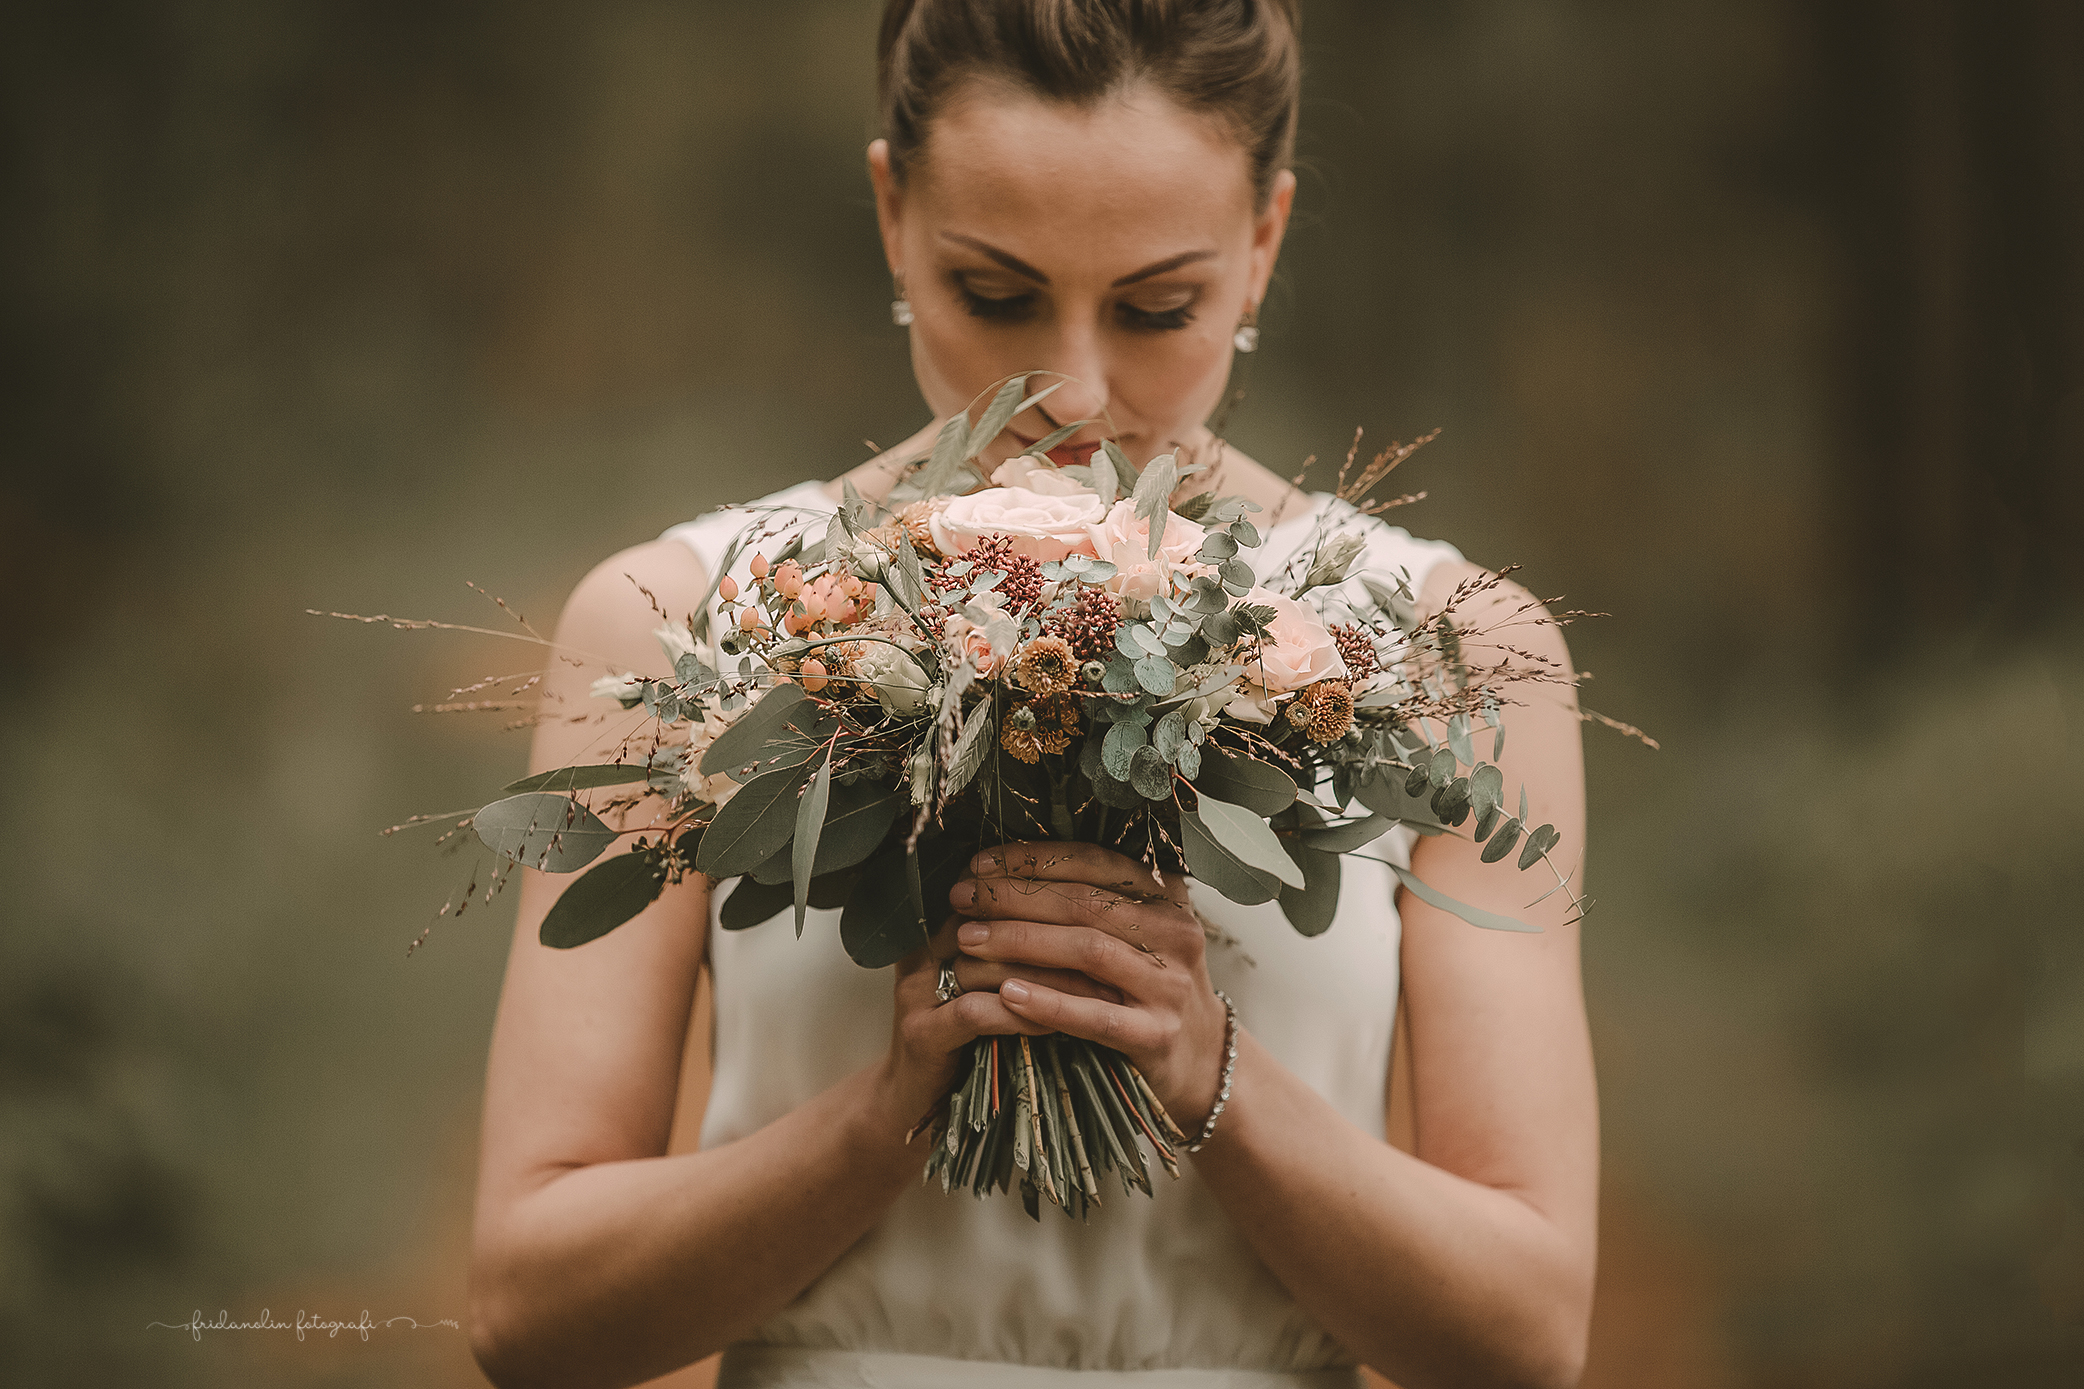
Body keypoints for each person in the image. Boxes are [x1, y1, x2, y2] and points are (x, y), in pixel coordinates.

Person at [467, 3, 1598, 1387]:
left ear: (1263, 244)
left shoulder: (1450, 649)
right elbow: (531, 1308)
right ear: (893, 212)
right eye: (997, 294)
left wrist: (1210, 1074)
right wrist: (884, 1111)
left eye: (1156, 307)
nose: (1070, 391)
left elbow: (1527, 1330)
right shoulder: (685, 623)